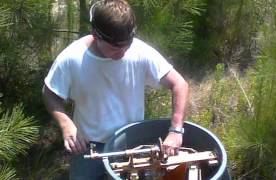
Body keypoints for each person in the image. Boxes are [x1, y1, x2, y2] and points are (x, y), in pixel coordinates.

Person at [42, 0, 189, 179]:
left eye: (127, 45)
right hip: (89, 145)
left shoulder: (140, 51)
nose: (123, 52)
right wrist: (66, 124)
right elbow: (49, 94)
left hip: (132, 142)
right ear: (96, 35)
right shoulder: (71, 59)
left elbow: (180, 84)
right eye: (115, 48)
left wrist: (175, 131)